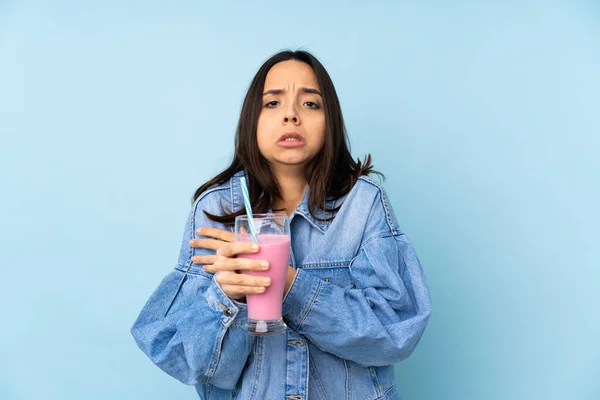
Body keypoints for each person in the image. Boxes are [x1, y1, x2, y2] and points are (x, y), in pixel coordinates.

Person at [131, 50, 432, 400]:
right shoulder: (215, 209)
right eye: (272, 103)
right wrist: (226, 298)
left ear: (329, 121)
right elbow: (186, 360)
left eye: (310, 104)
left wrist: (289, 284)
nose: (290, 115)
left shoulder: (362, 203)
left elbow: (396, 332)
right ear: (251, 120)